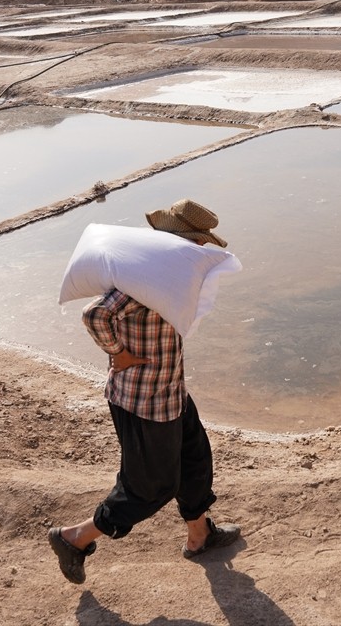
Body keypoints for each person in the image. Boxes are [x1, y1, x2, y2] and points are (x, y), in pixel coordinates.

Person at [48, 199, 241, 585]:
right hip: (143, 402)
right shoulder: (141, 280)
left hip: (170, 393)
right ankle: (75, 538)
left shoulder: (167, 275)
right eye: (200, 242)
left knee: (196, 460)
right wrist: (119, 353)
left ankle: (199, 535)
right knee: (150, 487)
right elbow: (94, 314)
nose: (204, 249)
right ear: (185, 240)